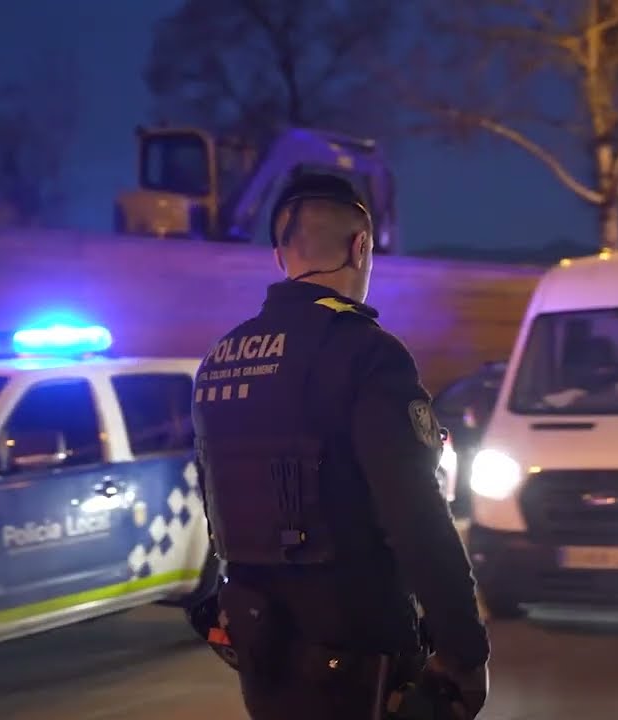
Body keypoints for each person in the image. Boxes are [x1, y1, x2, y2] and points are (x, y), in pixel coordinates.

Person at [188, 173, 490, 720]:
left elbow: (217, 505)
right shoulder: (367, 353)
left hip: (261, 646)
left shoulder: (220, 358)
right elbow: (414, 514)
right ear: (361, 247)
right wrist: (464, 650)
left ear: (280, 254)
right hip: (360, 650)